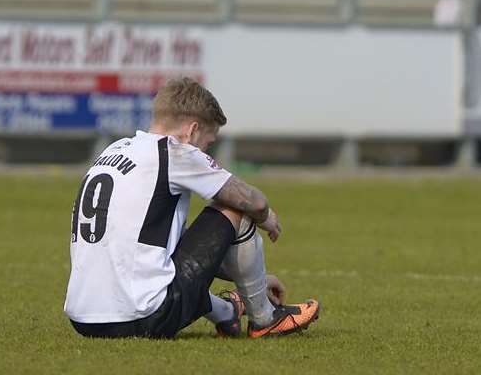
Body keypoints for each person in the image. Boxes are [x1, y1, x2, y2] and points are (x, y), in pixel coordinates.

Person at [63, 77, 320, 339]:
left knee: (161, 262)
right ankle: (265, 319)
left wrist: (256, 281)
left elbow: (175, 250)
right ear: (192, 130)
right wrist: (266, 217)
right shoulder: (174, 151)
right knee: (237, 209)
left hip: (83, 319)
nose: (207, 152)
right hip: (142, 316)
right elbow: (254, 201)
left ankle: (226, 311)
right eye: (209, 143)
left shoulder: (114, 150)